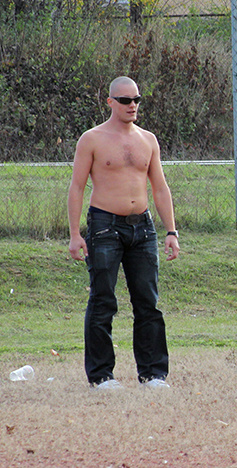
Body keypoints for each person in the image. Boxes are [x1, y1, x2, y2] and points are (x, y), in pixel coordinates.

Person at [67, 76, 179, 391]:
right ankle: (101, 376)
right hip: (104, 225)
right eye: (126, 100)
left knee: (148, 301)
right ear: (110, 102)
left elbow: (160, 187)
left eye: (137, 100)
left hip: (142, 227)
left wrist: (170, 230)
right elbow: (76, 187)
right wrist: (76, 234)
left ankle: (153, 374)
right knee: (103, 300)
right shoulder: (92, 139)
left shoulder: (148, 139)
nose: (133, 106)